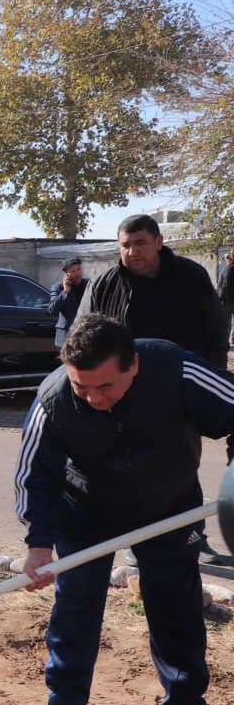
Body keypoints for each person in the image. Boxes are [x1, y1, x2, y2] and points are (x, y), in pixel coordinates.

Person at [15, 314, 234, 705]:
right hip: (86, 511)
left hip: (168, 506)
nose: (93, 398)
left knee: (175, 602)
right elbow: (34, 475)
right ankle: (63, 704)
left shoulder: (178, 371)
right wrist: (39, 545)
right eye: (83, 387)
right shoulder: (53, 400)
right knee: (77, 603)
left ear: (132, 365)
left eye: (106, 387)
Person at [82, 214, 227, 564]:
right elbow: (83, 335)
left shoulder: (190, 277)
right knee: (131, 469)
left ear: (159, 242)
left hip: (181, 392)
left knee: (182, 466)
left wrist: (214, 384)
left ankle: (193, 539)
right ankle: (137, 541)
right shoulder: (106, 284)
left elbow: (215, 331)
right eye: (125, 245)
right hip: (123, 394)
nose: (132, 252)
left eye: (140, 243)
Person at [48, 257, 86, 348]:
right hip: (66, 337)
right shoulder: (58, 288)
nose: (77, 273)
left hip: (85, 334)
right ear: (66, 274)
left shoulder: (88, 285)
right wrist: (65, 292)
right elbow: (52, 310)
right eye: (73, 271)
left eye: (78, 269)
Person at [217, 250, 234, 347]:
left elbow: (225, 286)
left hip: (227, 300)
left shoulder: (228, 270)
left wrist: (219, 298)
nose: (226, 260)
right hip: (230, 299)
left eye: (228, 258)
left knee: (226, 322)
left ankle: (225, 342)